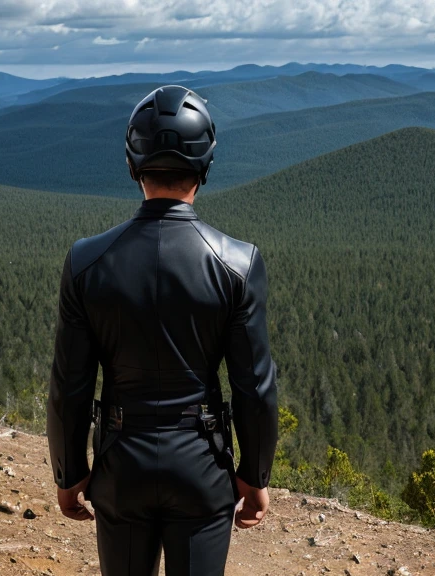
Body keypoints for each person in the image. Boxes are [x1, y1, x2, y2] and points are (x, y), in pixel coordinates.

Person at [46, 85, 279, 576]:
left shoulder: (86, 262)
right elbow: (253, 387)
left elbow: (70, 383)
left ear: (133, 164)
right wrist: (254, 475)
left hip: (119, 462)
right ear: (206, 166)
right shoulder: (238, 263)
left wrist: (69, 473)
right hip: (202, 464)